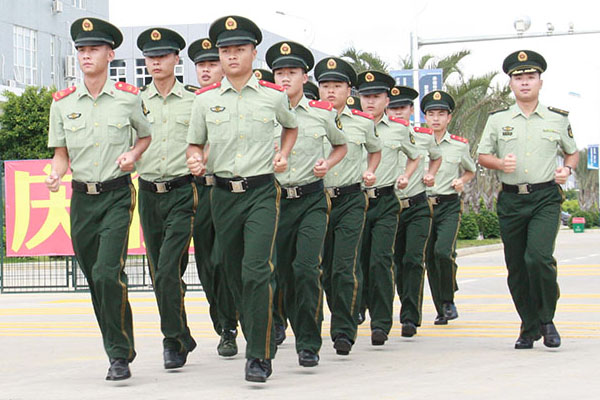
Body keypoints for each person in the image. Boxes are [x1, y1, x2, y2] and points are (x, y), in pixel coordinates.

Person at [186, 15, 298, 382]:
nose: (232, 56)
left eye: (239, 49)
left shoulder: (273, 96)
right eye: (225, 51)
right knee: (232, 272)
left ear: (253, 53)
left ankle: (259, 355)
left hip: (262, 192)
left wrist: (283, 153)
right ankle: (256, 332)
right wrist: (195, 158)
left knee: (256, 271)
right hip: (222, 195)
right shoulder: (204, 101)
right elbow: (195, 143)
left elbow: (291, 126)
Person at [46, 17, 151, 380]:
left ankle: (118, 354)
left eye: (94, 49)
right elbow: (61, 154)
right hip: (82, 200)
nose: (86, 56)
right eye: (81, 50)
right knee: (95, 279)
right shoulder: (62, 103)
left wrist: (133, 155)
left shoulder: (128, 98)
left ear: (110, 54)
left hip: (117, 195)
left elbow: (144, 136)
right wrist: (56, 173)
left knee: (108, 273)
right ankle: (118, 344)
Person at [477, 50, 578, 349]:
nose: (524, 82)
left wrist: (567, 169)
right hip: (511, 200)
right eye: (518, 78)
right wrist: (499, 164)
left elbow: (572, 151)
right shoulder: (498, 120)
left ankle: (547, 319)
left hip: (545, 197)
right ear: (510, 84)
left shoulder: (557, 119)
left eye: (530, 77)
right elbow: (483, 156)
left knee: (538, 258)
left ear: (540, 82)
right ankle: (528, 325)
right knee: (517, 267)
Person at [266, 41, 348, 366]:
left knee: (306, 269)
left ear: (305, 77)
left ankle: (309, 342)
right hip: (274, 202)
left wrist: (328, 163)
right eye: (279, 73)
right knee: (279, 273)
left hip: (311, 200)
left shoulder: (321, 113)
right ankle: (277, 324)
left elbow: (341, 146)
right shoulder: (264, 112)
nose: (285, 78)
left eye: (292, 72)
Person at [135, 27, 198, 369]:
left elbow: (209, 140)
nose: (156, 62)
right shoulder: (133, 100)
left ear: (176, 59)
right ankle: (181, 333)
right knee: (160, 271)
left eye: (162, 56)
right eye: (150, 57)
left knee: (166, 270)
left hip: (183, 191)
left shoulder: (194, 100)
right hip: (148, 193)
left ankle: (172, 340)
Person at [315, 57, 382, 355]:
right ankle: (334, 312)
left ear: (349, 90)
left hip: (351, 199)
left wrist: (370, 170)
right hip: (316, 199)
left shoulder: (363, 123)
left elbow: (375, 151)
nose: (331, 91)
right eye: (325, 85)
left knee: (343, 266)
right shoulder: (307, 118)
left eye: (337, 86)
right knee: (322, 270)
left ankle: (343, 329)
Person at [357, 71, 419, 346]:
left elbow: (415, 156)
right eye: (366, 96)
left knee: (380, 260)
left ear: (386, 100)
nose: (370, 101)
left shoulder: (398, 129)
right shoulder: (348, 124)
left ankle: (381, 322)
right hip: (354, 201)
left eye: (376, 96)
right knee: (356, 261)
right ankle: (357, 306)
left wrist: (405, 175)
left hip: (384, 201)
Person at [187, 37, 239, 357]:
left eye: (212, 64)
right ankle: (222, 323)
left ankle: (232, 324)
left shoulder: (239, 100)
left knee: (225, 260)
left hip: (229, 190)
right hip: (198, 191)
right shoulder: (191, 101)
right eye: (201, 65)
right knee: (207, 265)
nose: (205, 70)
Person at [420, 90, 476, 325]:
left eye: (441, 114)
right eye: (431, 114)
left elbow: (470, 170)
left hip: (448, 205)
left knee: (443, 252)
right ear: (425, 117)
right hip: (422, 206)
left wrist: (461, 181)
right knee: (430, 258)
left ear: (449, 118)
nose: (436, 119)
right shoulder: (416, 141)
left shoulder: (458, 145)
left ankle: (448, 298)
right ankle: (442, 307)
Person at [392, 91, 443, 338]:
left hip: (417, 206)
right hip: (390, 207)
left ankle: (410, 316)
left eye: (402, 108)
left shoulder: (423, 136)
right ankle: (404, 301)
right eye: (393, 108)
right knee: (395, 263)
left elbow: (437, 157)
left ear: (411, 110)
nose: (397, 112)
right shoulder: (378, 134)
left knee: (413, 259)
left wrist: (430, 174)